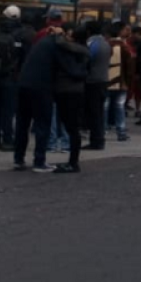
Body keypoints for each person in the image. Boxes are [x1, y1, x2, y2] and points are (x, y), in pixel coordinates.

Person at [14, 24, 62, 173]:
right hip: (41, 87)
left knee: (22, 124)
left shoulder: (41, 44)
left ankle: (18, 159)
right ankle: (39, 161)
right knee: (42, 124)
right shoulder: (56, 45)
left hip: (24, 84)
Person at [0, 5, 27, 151]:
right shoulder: (20, 35)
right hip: (11, 78)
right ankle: (8, 140)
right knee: (8, 111)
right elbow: (23, 58)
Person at [52, 23, 91, 173]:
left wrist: (57, 34)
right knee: (72, 127)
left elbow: (61, 43)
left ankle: (73, 162)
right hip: (75, 91)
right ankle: (72, 161)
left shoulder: (78, 49)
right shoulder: (83, 50)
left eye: (69, 34)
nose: (67, 36)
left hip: (69, 91)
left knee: (72, 127)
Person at [84, 21, 110, 150]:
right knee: (99, 111)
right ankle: (99, 139)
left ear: (89, 31)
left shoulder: (92, 44)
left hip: (92, 80)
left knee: (94, 112)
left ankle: (96, 140)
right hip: (103, 79)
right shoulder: (105, 43)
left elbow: (87, 59)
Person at [105, 22, 131, 142]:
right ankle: (121, 131)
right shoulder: (124, 47)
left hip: (106, 81)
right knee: (119, 106)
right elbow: (129, 67)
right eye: (125, 29)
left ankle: (103, 130)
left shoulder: (105, 44)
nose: (128, 32)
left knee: (105, 106)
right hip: (121, 82)